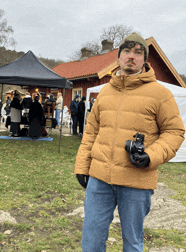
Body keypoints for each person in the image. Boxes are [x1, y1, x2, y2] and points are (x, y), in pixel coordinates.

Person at [74, 32, 185, 252]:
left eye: (138, 52)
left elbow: (175, 132)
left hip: (136, 182)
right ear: (118, 57)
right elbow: (91, 133)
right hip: (99, 180)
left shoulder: (160, 95)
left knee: (133, 243)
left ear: (145, 60)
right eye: (126, 51)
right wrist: (82, 165)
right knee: (91, 241)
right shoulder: (104, 93)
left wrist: (151, 156)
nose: (131, 56)